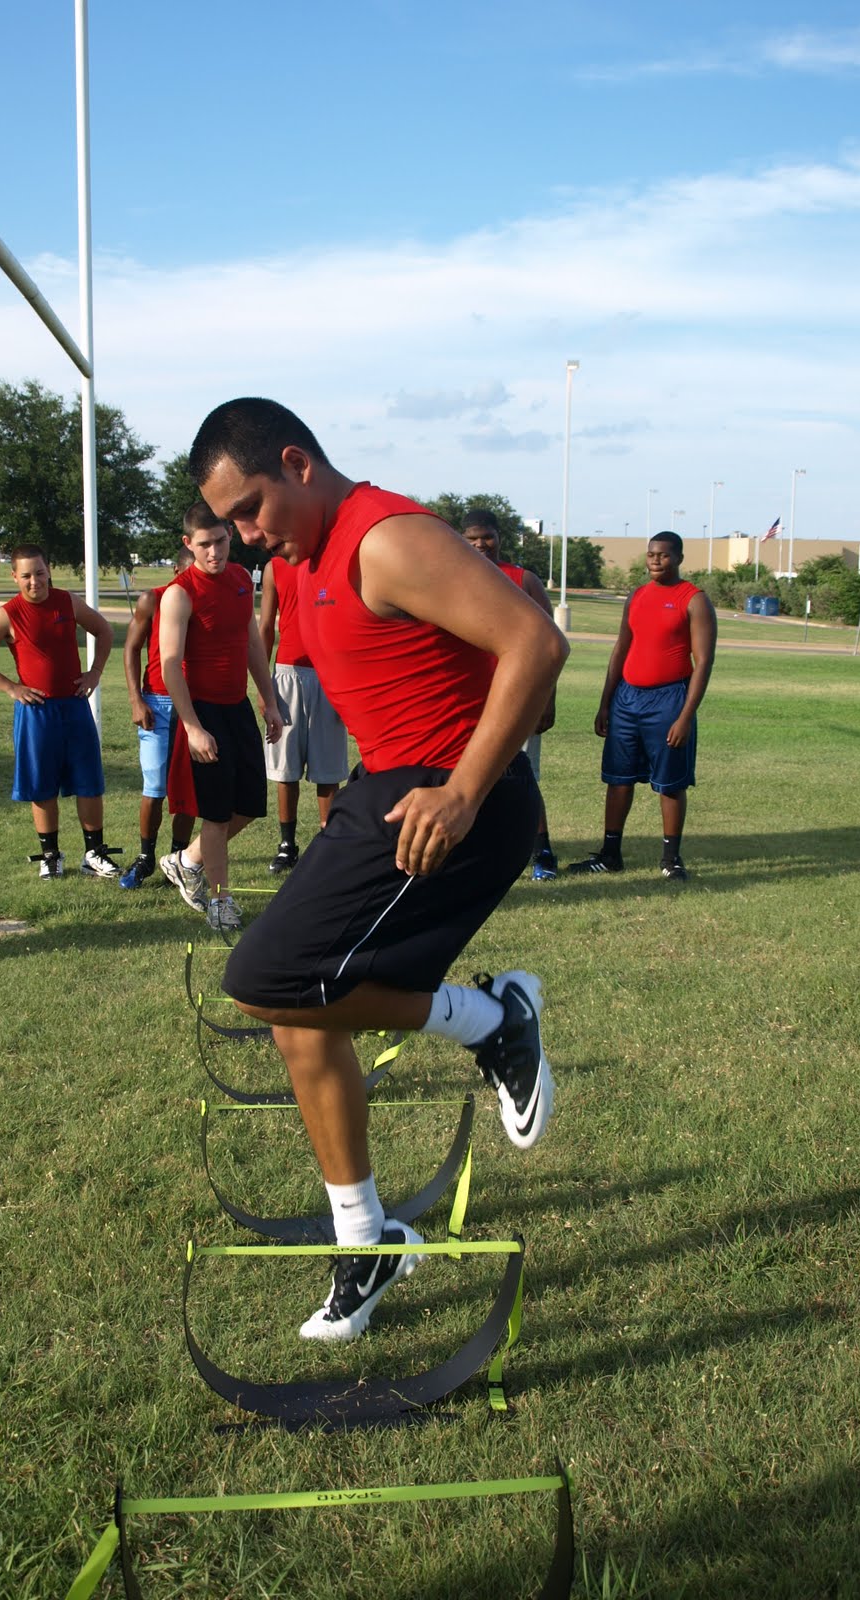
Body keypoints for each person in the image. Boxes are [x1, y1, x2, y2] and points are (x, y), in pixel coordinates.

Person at [189, 398, 568, 1341]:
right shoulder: (302, 559)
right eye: (230, 522)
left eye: (250, 509)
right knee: (298, 1018)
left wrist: (464, 791)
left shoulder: (387, 537)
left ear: (296, 463)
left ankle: (492, 1021)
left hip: (456, 801)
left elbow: (537, 643)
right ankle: (368, 1241)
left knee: (264, 977)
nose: (245, 536)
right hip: (384, 792)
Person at [157, 502, 282, 932]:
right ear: (188, 544)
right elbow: (170, 665)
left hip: (237, 707)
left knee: (248, 805)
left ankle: (187, 860)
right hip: (202, 711)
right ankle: (219, 899)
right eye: (204, 545)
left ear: (231, 534)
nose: (214, 552)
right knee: (216, 813)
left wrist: (269, 700)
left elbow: (252, 644)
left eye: (220, 541)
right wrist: (193, 727)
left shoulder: (242, 579)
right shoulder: (179, 593)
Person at [567, 531, 716, 880]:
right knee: (618, 778)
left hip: (669, 699)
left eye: (663, 555)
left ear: (678, 558)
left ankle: (671, 858)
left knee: (670, 782)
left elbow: (704, 661)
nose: (656, 560)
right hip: (627, 698)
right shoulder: (637, 596)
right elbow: (621, 648)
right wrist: (606, 702)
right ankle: (610, 855)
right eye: (651, 554)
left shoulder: (693, 599)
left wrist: (685, 716)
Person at [0, 545, 118, 879]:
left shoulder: (67, 602)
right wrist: (12, 688)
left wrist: (95, 672)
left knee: (89, 781)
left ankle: (94, 853)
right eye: (26, 576)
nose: (34, 581)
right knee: (41, 784)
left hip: (74, 705)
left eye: (40, 573)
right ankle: (51, 855)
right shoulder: (8, 614)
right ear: (14, 577)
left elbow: (104, 630)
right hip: (36, 712)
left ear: (49, 571)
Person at [460, 508, 559, 879]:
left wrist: (547, 699)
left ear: (500, 536)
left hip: (519, 696)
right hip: (469, 698)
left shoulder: (523, 579)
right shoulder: (454, 577)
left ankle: (542, 851)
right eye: (471, 538)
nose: (480, 544)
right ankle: (477, 851)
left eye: (487, 536)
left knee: (522, 775)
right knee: (468, 773)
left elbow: (551, 643)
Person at [258, 553, 350, 873]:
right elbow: (265, 627)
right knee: (286, 768)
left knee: (328, 770)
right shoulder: (274, 567)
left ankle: (329, 846)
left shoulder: (335, 558)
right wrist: (264, 688)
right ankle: (287, 846)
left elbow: (349, 623)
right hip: (287, 675)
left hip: (330, 674)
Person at [119, 546, 196, 889]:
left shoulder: (208, 601)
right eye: (189, 574)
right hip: (158, 703)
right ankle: (146, 856)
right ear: (177, 572)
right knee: (154, 786)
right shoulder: (154, 599)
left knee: (189, 789)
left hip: (194, 704)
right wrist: (136, 699)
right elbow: (132, 647)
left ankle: (177, 859)